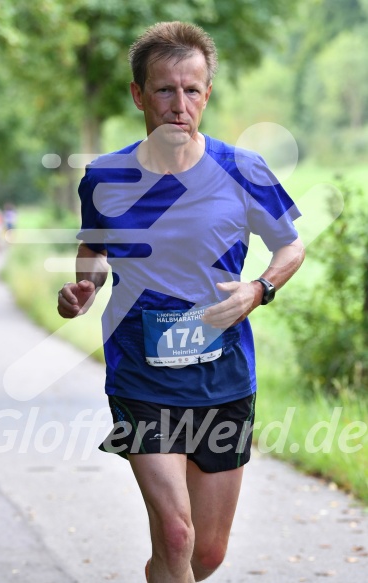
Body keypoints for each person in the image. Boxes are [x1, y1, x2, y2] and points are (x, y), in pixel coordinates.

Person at [57, 21, 305, 583]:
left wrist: (258, 288)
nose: (179, 104)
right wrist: (85, 288)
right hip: (140, 373)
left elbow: (290, 246)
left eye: (192, 89)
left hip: (224, 375)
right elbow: (94, 250)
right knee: (176, 533)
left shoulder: (242, 170)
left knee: (205, 555)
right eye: (165, 89)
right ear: (138, 94)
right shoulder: (104, 177)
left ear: (207, 93)